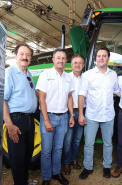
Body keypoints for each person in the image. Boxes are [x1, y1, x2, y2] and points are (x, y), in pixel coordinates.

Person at [78, 47, 119, 179]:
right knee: (89, 143)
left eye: (104, 56)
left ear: (108, 58)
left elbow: (117, 91)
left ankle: (107, 167)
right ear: (96, 58)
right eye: (99, 56)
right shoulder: (87, 75)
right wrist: (80, 114)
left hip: (108, 116)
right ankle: (88, 167)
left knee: (108, 143)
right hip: (92, 116)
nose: (101, 58)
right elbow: (81, 96)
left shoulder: (113, 75)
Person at [36, 49, 75, 185]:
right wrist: (46, 120)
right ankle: (46, 177)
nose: (61, 60)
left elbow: (69, 97)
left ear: (66, 61)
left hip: (64, 117)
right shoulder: (45, 74)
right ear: (53, 60)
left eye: (63, 58)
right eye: (58, 58)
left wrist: (71, 115)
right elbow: (41, 99)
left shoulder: (68, 77)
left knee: (58, 148)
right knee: (46, 150)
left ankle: (57, 173)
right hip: (49, 117)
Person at [3, 43, 37, 185]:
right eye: (22, 54)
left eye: (28, 55)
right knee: (17, 157)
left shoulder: (28, 73)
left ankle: (24, 179)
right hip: (17, 120)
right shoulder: (10, 73)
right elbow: (3, 99)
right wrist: (10, 125)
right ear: (16, 56)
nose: (25, 57)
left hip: (30, 120)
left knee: (27, 154)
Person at [63, 54, 85, 175]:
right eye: (75, 63)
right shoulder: (66, 78)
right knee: (68, 139)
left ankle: (74, 160)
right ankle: (66, 163)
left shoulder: (86, 79)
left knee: (77, 139)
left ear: (83, 65)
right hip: (69, 113)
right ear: (71, 65)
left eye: (80, 63)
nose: (77, 65)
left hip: (82, 112)